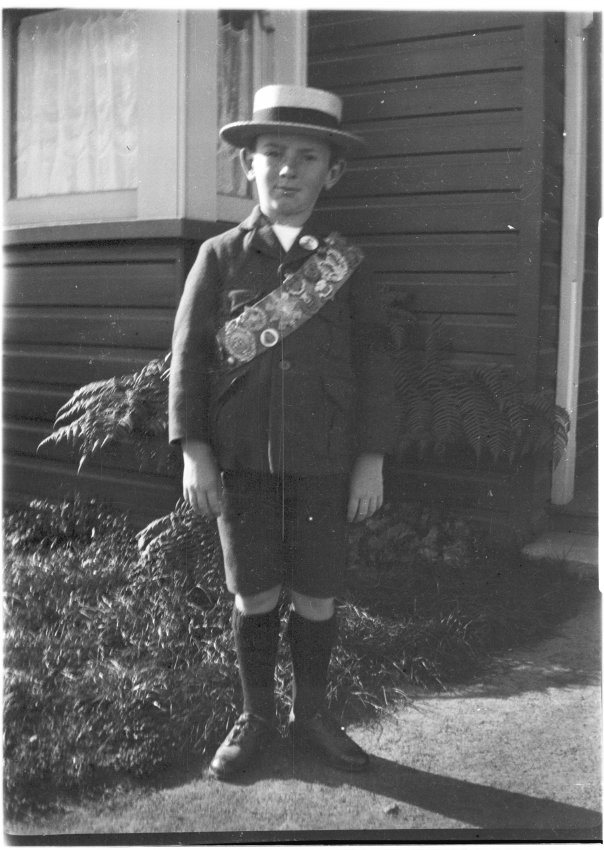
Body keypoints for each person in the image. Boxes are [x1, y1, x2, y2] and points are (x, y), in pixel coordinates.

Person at [168, 84, 398, 780]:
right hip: (241, 462)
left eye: (307, 157)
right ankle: (257, 718)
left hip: (326, 462)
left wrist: (371, 459)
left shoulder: (347, 266)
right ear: (249, 164)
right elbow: (189, 360)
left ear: (333, 172)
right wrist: (196, 453)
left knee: (318, 592)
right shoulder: (219, 257)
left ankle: (314, 717)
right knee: (255, 592)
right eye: (273, 153)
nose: (288, 170)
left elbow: (376, 364)